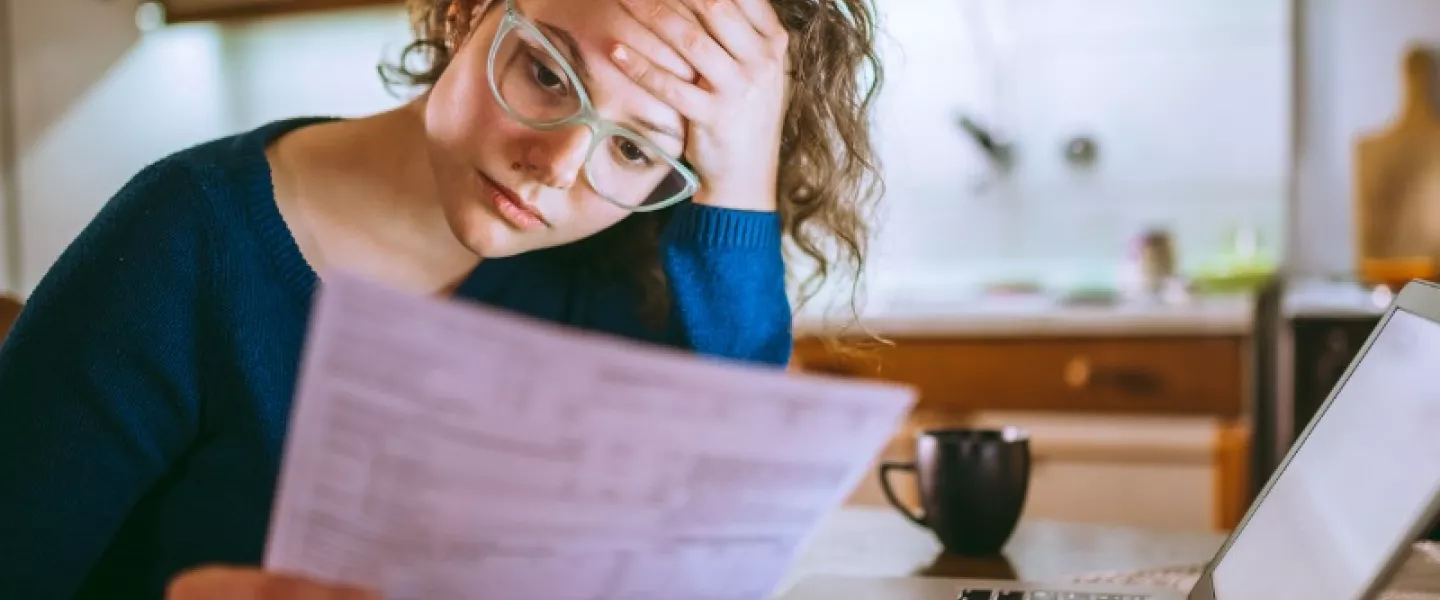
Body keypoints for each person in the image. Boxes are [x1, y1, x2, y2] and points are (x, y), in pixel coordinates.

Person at [0, 0, 884, 596]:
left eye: (633, 151)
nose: (556, 167)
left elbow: (723, 524)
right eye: (545, 74)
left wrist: (738, 181)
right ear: (468, 11)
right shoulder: (184, 239)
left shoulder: (621, 280)